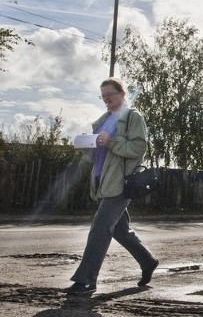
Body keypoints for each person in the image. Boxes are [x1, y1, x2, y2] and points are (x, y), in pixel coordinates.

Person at [64, 77, 158, 296]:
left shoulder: (133, 117)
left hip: (120, 183)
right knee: (120, 229)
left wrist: (112, 142)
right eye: (103, 96)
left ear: (122, 94)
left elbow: (138, 148)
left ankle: (86, 280)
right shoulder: (103, 119)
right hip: (101, 181)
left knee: (100, 228)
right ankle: (148, 261)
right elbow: (98, 152)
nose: (106, 99)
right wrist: (86, 144)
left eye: (110, 94)